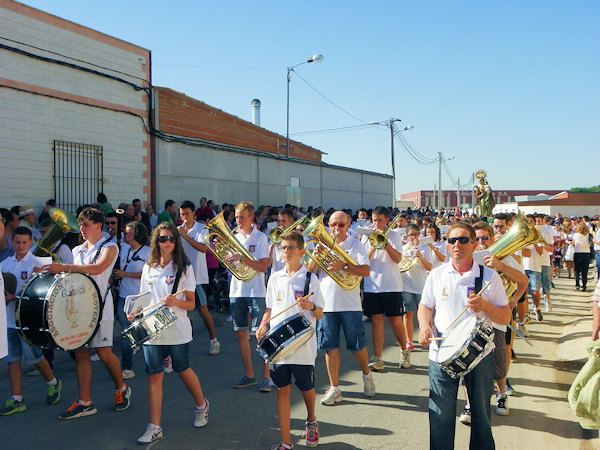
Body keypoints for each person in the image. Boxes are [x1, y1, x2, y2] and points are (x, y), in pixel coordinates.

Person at [418, 222, 510, 450]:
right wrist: (424, 326)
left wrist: (485, 305)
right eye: (452, 240)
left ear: (474, 244)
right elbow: (425, 305)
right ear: (447, 245)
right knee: (440, 414)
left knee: (481, 415)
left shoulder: (489, 276)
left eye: (463, 240)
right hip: (441, 354)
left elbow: (505, 317)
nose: (456, 245)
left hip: (480, 354)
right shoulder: (437, 274)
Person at [42, 207, 131, 419]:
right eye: (80, 224)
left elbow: (98, 269)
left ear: (98, 225)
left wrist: (65, 266)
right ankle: (85, 402)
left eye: (86, 225)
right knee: (81, 352)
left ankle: (121, 388)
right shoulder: (77, 250)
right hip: (79, 308)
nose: (81, 228)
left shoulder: (110, 247)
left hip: (101, 308)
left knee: (103, 353)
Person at [134, 222, 209, 445]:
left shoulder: (184, 268)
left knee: (182, 369)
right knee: (154, 376)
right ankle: (154, 426)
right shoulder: (149, 267)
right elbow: (143, 299)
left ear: (176, 242)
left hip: (177, 328)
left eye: (171, 239)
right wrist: (136, 313)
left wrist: (176, 301)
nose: (167, 243)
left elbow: (191, 304)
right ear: (156, 241)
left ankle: (201, 405)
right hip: (152, 329)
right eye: (163, 239)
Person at [256, 231, 325, 450]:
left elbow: (321, 313)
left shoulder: (310, 279)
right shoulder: (275, 277)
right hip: (279, 346)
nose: (285, 252)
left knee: (306, 389)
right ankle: (286, 442)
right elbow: (269, 308)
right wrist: (263, 324)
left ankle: (311, 420)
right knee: (282, 391)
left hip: (303, 347)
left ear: (302, 252)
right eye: (282, 247)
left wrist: (310, 307)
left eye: (290, 248)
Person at [309, 211, 375, 405]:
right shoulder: (321, 245)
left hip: (350, 304)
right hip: (326, 304)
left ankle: (366, 375)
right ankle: (335, 388)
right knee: (329, 347)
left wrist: (344, 266)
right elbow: (311, 272)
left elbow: (366, 271)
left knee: (357, 347)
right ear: (328, 225)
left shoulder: (355, 245)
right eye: (333, 225)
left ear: (348, 226)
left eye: (341, 225)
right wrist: (314, 257)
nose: (336, 229)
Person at [0, 227, 62, 415]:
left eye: (24, 242)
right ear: (12, 241)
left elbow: (43, 289)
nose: (20, 246)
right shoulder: (5, 264)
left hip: (28, 319)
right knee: (12, 360)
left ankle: (52, 382)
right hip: (9, 320)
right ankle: (17, 399)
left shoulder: (36, 262)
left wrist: (15, 297)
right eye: (17, 242)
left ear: (30, 242)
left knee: (34, 357)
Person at [227, 202, 271, 391]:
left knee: (261, 335)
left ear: (251, 218)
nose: (238, 221)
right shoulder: (232, 237)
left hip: (256, 292)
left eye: (241, 217)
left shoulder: (260, 237)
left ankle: (267, 377)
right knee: (241, 333)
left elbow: (263, 266)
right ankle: (249, 375)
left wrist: (241, 258)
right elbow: (228, 264)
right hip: (236, 290)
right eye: (236, 217)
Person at [360, 206, 410, 371]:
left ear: (387, 220)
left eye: (380, 220)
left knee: (395, 320)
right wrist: (372, 242)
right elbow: (363, 261)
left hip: (391, 285)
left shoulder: (394, 235)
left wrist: (385, 243)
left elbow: (397, 259)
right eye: (374, 220)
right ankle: (378, 357)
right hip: (372, 285)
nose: (376, 223)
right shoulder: (366, 237)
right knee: (376, 321)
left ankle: (404, 351)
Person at [178, 201, 220, 356]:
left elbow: (203, 248)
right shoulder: (179, 229)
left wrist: (185, 236)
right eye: (182, 214)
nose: (184, 217)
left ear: (194, 213)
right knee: (182, 311)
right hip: (182, 276)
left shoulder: (202, 229)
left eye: (187, 213)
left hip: (197, 277)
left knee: (203, 309)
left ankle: (213, 340)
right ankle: (182, 344)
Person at [113, 221, 150, 380]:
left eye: (129, 233)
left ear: (137, 234)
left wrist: (125, 275)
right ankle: (127, 367)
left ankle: (161, 358)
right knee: (125, 332)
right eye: (125, 233)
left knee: (147, 332)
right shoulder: (123, 249)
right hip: (124, 296)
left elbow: (148, 275)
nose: (125, 236)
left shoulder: (148, 252)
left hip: (141, 297)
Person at [401, 223, 433, 350]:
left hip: (421, 285)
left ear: (419, 234)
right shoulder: (403, 249)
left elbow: (429, 267)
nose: (413, 237)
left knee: (426, 314)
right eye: (410, 235)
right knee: (408, 314)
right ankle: (409, 341)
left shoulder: (425, 248)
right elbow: (400, 266)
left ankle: (428, 338)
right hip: (407, 284)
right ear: (407, 236)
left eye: (415, 234)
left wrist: (421, 257)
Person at [569, 222, 591, 291]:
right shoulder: (588, 235)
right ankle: (584, 285)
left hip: (578, 253)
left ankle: (577, 284)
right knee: (585, 270)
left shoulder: (575, 235)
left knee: (577, 270)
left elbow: (573, 243)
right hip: (586, 253)